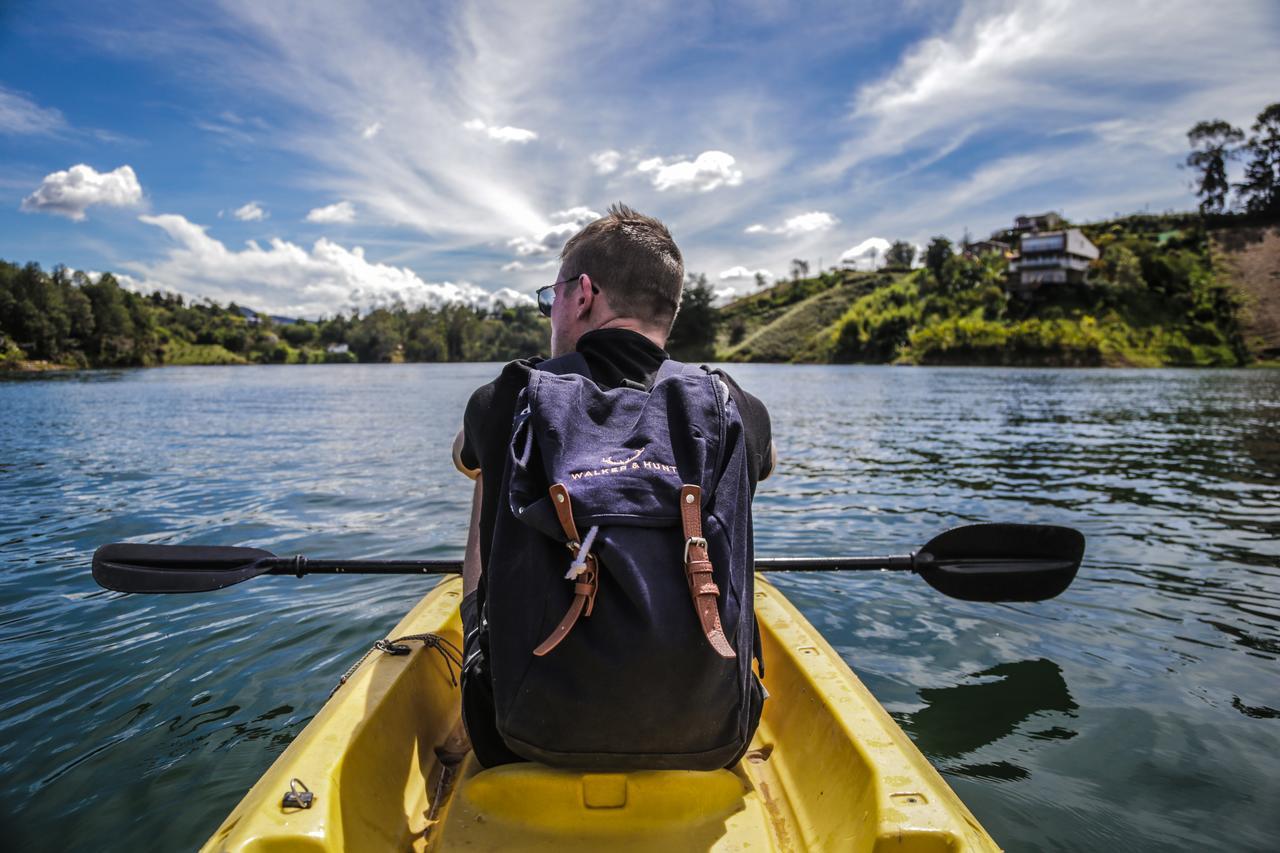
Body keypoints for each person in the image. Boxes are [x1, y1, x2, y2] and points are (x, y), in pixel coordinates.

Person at [452, 202, 775, 765]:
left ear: (582, 293)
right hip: (717, 738)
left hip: (515, 737)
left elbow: (463, 458)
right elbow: (765, 464)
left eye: (549, 296)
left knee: (490, 472)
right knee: (736, 466)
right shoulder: (735, 404)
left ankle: (483, 648)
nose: (550, 310)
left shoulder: (504, 397)